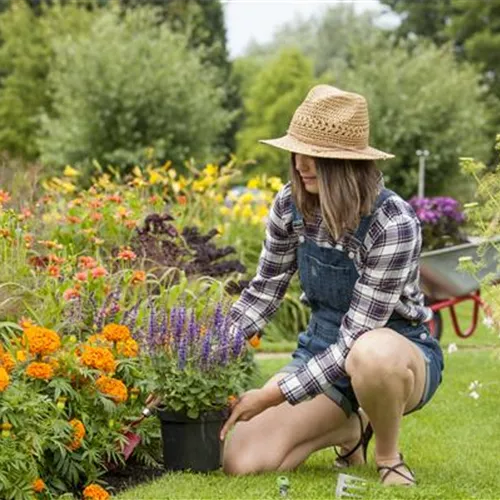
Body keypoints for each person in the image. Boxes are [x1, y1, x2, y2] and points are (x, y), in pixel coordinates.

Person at [220, 85, 444, 486]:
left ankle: (388, 455)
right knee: (243, 459)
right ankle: (350, 427)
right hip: (322, 350)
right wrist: (205, 356)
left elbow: (357, 337)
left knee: (370, 354)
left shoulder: (392, 223)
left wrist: (271, 395)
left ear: (346, 163)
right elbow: (264, 291)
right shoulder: (291, 206)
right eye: (297, 151)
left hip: (395, 353)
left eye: (316, 156)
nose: (301, 164)